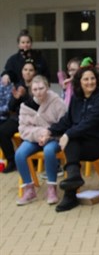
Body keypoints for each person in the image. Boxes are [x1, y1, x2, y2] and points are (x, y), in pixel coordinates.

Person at [39, 65, 99, 212]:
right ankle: (73, 182)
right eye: (86, 79)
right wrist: (49, 131)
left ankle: (71, 191)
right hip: (83, 140)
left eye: (92, 78)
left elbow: (89, 123)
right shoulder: (77, 98)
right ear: (79, 81)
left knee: (71, 141)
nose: (90, 82)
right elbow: (67, 120)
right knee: (72, 142)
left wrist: (67, 134)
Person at [15, 75, 67, 205]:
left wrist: (48, 135)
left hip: (54, 138)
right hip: (34, 138)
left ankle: (51, 188)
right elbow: (23, 129)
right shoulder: (26, 106)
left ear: (47, 87)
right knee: (20, 154)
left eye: (41, 88)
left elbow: (64, 123)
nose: (39, 92)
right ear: (31, 90)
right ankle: (29, 189)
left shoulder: (57, 102)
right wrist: (40, 134)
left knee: (49, 151)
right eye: (35, 89)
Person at [0, 59, 37, 173]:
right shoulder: (17, 85)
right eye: (25, 70)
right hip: (18, 118)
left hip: (34, 119)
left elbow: (37, 106)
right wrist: (16, 99)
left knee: (28, 133)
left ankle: (33, 159)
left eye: (31, 70)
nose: (28, 72)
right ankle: (12, 161)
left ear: (35, 72)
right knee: (2, 131)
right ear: (22, 72)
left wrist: (25, 96)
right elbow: (11, 108)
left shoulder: (38, 85)